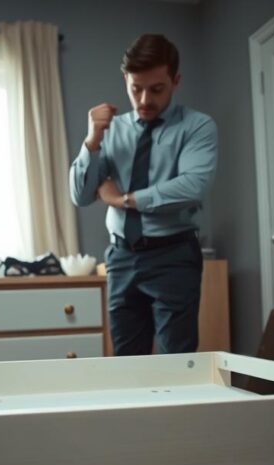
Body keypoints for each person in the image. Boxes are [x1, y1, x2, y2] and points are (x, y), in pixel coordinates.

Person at [69, 34, 218, 356]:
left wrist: (123, 200)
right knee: (127, 365)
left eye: (157, 89)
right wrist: (92, 141)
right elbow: (81, 196)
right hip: (121, 258)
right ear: (126, 80)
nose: (145, 99)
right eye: (136, 88)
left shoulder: (197, 127)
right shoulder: (110, 131)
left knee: (177, 365)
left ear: (175, 81)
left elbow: (193, 186)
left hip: (174, 257)